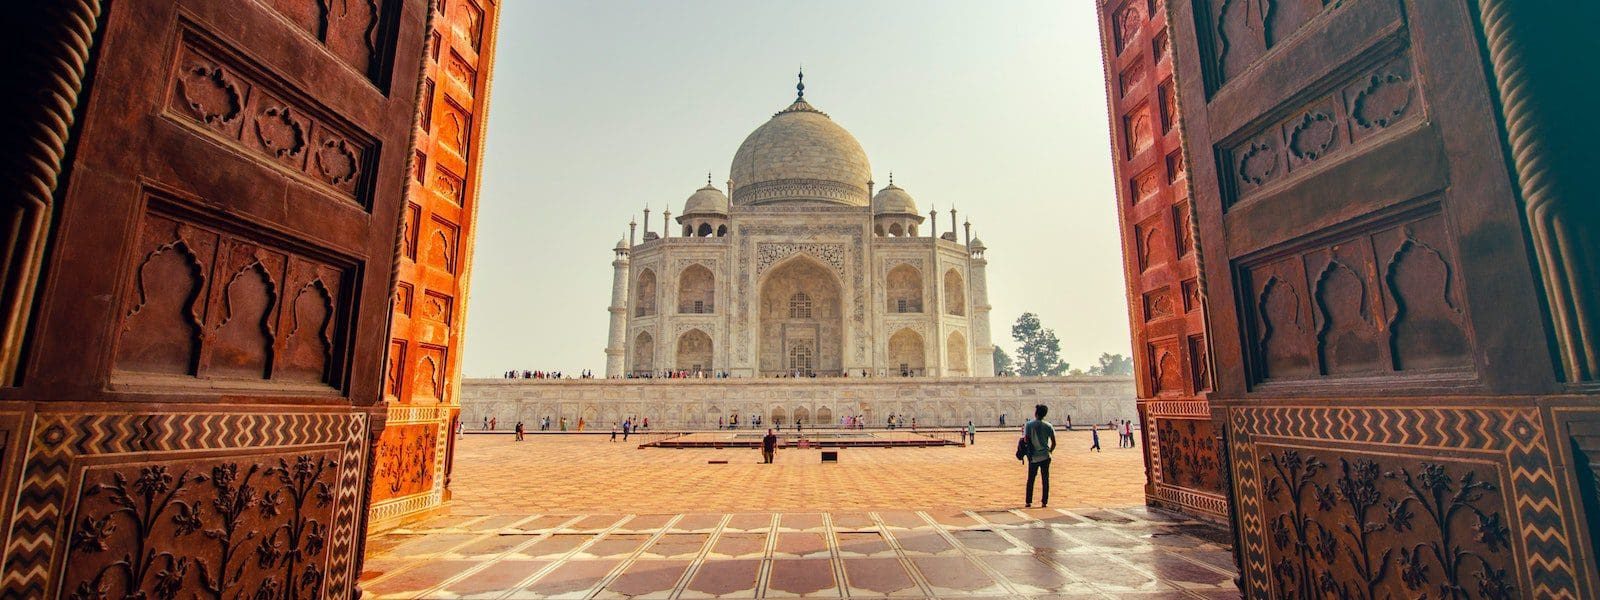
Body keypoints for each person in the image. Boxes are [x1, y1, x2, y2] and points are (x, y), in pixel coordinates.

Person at [1022, 404, 1057, 508]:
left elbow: (1026, 440)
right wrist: (1050, 452)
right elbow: (1054, 443)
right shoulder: (1048, 426)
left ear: (1036, 413)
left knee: (1031, 479)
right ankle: (1044, 502)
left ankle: (1028, 501)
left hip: (1033, 457)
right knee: (1045, 479)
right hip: (1046, 456)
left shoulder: (1029, 425)